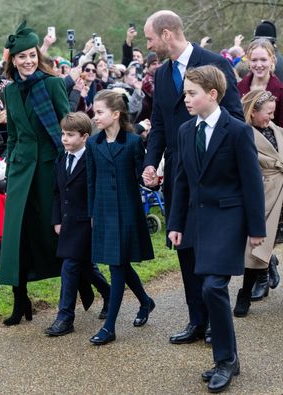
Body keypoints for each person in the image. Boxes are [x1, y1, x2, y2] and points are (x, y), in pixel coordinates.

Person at [142, 10, 244, 346]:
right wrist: (151, 164)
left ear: (167, 34)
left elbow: (235, 116)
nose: (148, 44)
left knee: (209, 247)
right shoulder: (161, 74)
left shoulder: (214, 62)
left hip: (212, 172)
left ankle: (216, 321)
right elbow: (157, 123)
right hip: (176, 174)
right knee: (183, 244)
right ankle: (196, 319)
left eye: (150, 38)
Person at [168, 65, 265, 393]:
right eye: (184, 94)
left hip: (228, 219)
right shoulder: (185, 131)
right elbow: (180, 181)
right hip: (196, 222)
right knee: (206, 287)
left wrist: (257, 229)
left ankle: (226, 360)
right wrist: (175, 223)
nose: (186, 100)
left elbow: (252, 183)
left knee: (212, 287)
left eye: (191, 93)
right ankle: (228, 358)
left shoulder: (237, 131)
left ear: (212, 94)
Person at [0, 21, 70, 326]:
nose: (27, 61)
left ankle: (86, 285)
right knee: (17, 237)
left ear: (38, 56)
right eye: (21, 57)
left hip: (49, 168)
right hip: (20, 171)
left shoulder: (53, 85)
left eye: (31, 55)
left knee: (57, 234)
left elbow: (68, 128)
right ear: (12, 60)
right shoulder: (10, 92)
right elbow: (12, 134)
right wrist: (10, 160)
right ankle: (20, 300)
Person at [86, 90, 155, 345]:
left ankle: (109, 327)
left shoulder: (134, 142)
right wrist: (92, 213)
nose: (95, 117)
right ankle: (145, 302)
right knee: (120, 265)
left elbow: (141, 176)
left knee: (117, 266)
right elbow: (91, 182)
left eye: (100, 112)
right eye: (94, 112)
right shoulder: (93, 144)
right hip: (103, 212)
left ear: (115, 114)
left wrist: (153, 181)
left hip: (128, 211)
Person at [44, 112, 110, 336]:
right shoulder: (62, 159)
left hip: (87, 223)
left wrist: (97, 217)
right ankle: (109, 295)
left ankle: (65, 317)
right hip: (67, 223)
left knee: (70, 265)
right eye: (63, 134)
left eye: (70, 135)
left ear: (84, 137)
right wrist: (56, 220)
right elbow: (57, 193)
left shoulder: (92, 160)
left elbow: (99, 191)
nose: (64, 138)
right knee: (85, 267)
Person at [233, 90, 283, 317]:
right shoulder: (243, 134)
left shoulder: (278, 131)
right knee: (256, 247)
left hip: (281, 192)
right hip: (264, 195)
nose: (271, 118)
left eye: (273, 113)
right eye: (267, 113)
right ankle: (244, 293)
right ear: (252, 112)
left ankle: (269, 264)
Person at [238, 38, 283, 127]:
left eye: (263, 60)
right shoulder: (238, 88)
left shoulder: (281, 91)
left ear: (272, 60)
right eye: (254, 60)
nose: (259, 65)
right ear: (248, 61)